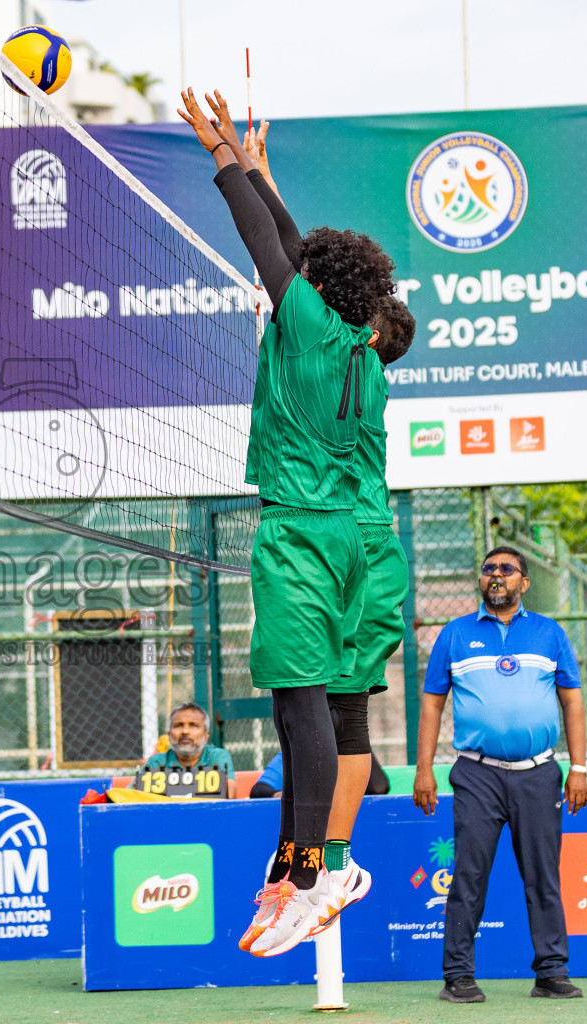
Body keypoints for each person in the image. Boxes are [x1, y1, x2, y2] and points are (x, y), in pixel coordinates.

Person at [177, 87, 395, 958]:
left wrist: (223, 160)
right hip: (360, 542)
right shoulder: (359, 351)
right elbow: (300, 252)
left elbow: (269, 249)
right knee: (321, 717)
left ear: (315, 289)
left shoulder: (304, 322)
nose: (296, 277)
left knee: (300, 714)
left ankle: (313, 874)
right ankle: (300, 865)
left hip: (304, 534)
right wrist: (264, 173)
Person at [415, 545, 587, 1003]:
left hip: (539, 774)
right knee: (469, 875)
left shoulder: (549, 634)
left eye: (507, 570)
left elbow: (572, 701)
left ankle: (551, 973)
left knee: (543, 876)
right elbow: (433, 704)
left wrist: (579, 769)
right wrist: (424, 771)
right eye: (489, 569)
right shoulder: (454, 635)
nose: (497, 576)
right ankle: (458, 976)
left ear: (524, 583)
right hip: (477, 774)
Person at [132, 701, 236, 799]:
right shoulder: (156, 762)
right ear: (169, 735)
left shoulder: (217, 756)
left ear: (206, 735)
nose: (185, 731)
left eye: (193, 725)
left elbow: (230, 795)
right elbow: (129, 797)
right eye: (178, 725)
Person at [251, 751, 390, 799]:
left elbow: (379, 787)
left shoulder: (352, 757)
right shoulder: (293, 755)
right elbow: (258, 790)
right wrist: (279, 794)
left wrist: (357, 735)